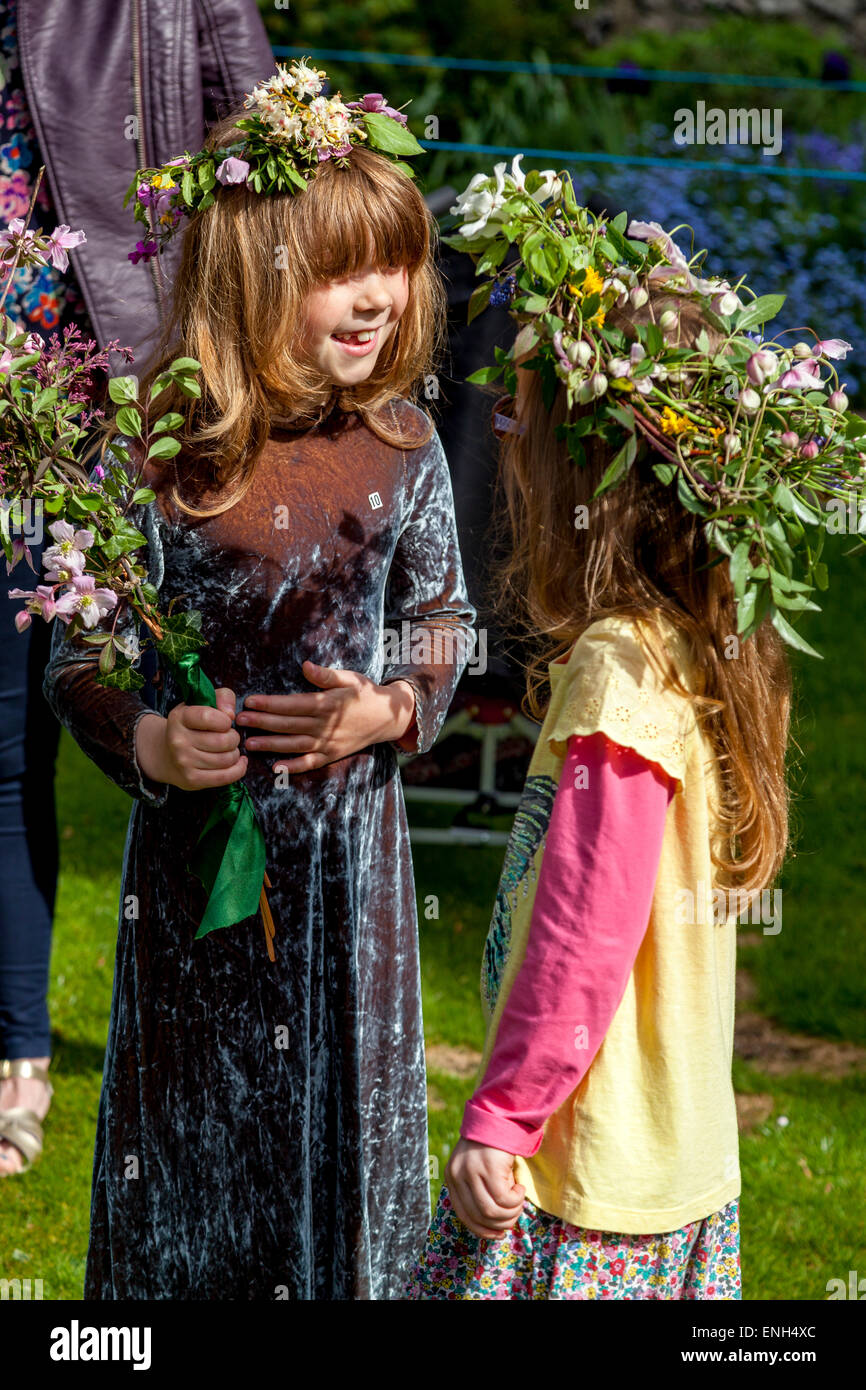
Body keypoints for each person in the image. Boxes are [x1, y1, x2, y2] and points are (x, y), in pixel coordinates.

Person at [42, 61, 475, 1299]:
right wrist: (149, 743)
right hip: (196, 899)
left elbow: (443, 619)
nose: (379, 298)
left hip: (350, 891)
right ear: (253, 272)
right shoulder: (164, 444)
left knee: (343, 1169)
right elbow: (84, 654)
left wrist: (391, 706)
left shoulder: (400, 441)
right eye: (343, 271)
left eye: (394, 264)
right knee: (195, 1168)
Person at [407, 190, 799, 1297]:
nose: (506, 434)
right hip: (672, 1168)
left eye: (522, 411)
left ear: (595, 473)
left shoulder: (619, 670)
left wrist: (502, 1114)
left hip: (583, 1185)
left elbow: (583, 927)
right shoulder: (699, 640)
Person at [0, 0, 273, 1176]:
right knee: (6, 749)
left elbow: (272, 160)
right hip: (16, 420)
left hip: (133, 404)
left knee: (195, 729)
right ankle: (17, 1054)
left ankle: (232, 1038)